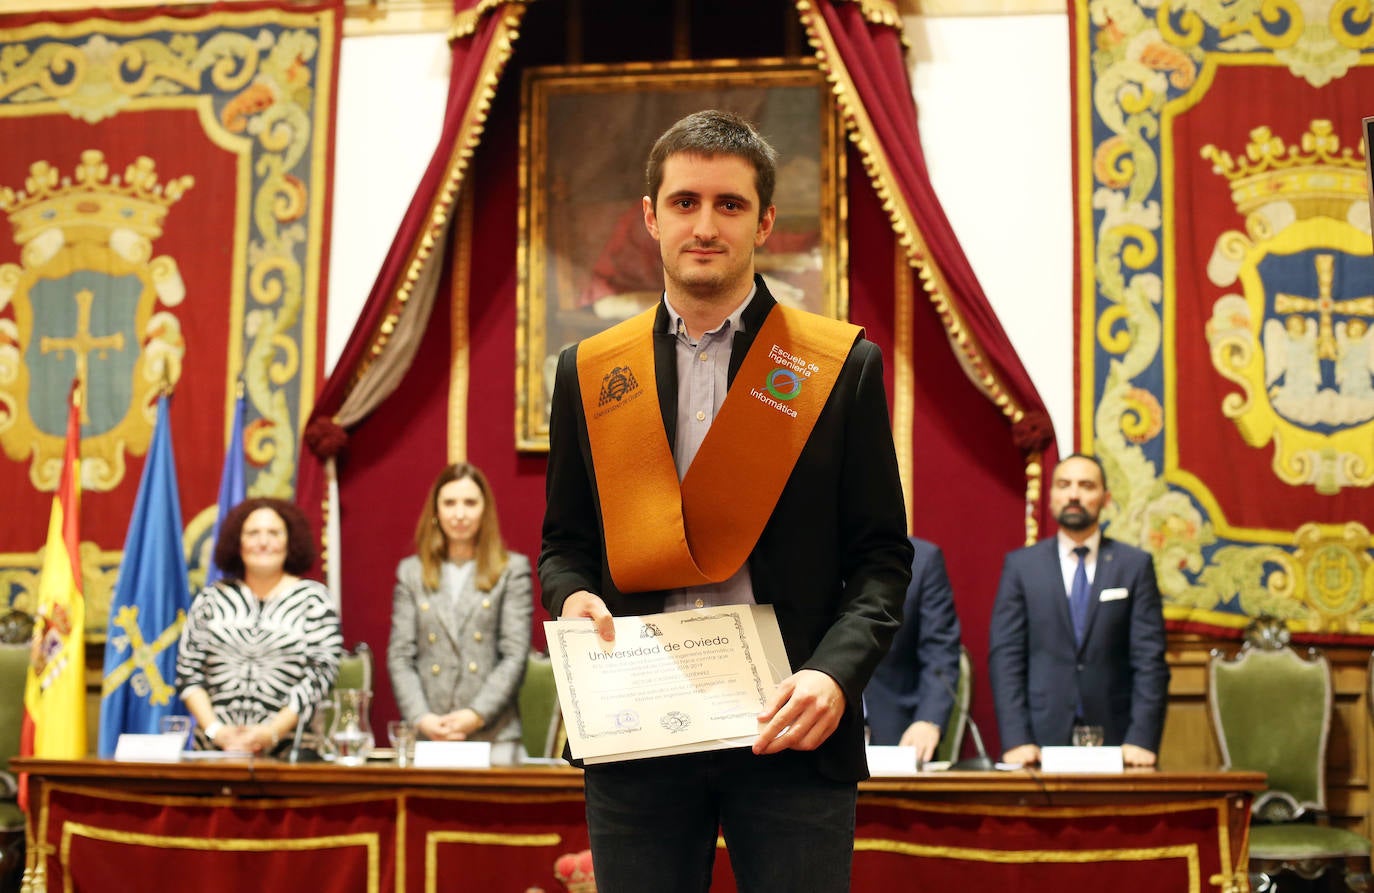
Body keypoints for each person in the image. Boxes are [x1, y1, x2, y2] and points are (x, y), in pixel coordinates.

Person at [539, 109, 912, 893]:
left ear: (765, 220)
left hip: (789, 727)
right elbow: (564, 544)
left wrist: (834, 677)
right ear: (650, 217)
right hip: (639, 731)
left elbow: (881, 561)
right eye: (684, 202)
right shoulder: (588, 369)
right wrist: (573, 596)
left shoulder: (838, 367)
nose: (705, 225)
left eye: (730, 204)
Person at [987, 453, 1170, 768]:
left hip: (1118, 738)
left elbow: (1149, 660)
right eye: (1064, 485)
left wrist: (1141, 738)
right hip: (1039, 738)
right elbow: (1006, 657)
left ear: (1105, 498)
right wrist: (1017, 739)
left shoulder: (1134, 566)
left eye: (1086, 486)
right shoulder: (1021, 566)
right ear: (1052, 497)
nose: (1074, 494)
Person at [388, 463, 532, 763]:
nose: (460, 513)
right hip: (430, 733)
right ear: (436, 511)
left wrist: (475, 714)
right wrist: (421, 717)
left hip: (494, 735)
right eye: (450, 503)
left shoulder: (511, 570)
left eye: (470, 502)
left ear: (485, 510)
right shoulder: (411, 572)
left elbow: (515, 654)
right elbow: (400, 656)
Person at [176, 497, 342, 754]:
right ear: (237, 542)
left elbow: (320, 677)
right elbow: (188, 674)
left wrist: (271, 733)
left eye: (274, 533)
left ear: (290, 541)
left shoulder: (315, 600)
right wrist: (217, 733)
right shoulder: (211, 598)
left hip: (290, 753)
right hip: (214, 751)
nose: (263, 542)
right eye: (253, 533)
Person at [863, 537, 962, 761]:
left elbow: (940, 651)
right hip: (814, 735)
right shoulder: (807, 557)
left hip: (900, 736)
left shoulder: (923, 559)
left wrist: (929, 720)